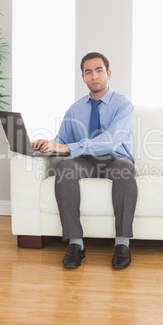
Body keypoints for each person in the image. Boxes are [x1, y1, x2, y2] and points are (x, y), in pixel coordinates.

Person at [32, 52, 137, 269]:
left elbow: (111, 141)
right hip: (86, 161)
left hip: (116, 158)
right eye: (88, 72)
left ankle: (122, 244)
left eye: (99, 70)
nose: (94, 76)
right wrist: (47, 143)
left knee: (125, 172)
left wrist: (68, 147)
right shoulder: (75, 108)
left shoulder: (123, 104)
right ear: (83, 77)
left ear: (108, 73)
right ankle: (75, 244)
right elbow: (63, 140)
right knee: (64, 168)